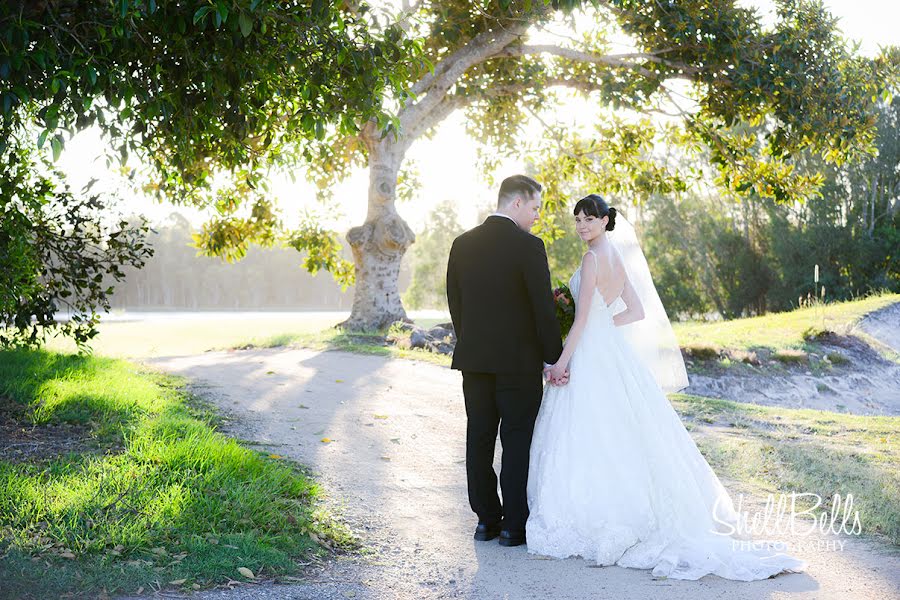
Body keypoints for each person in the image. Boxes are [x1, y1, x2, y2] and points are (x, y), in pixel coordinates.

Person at [526, 194, 806, 580]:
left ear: (607, 220)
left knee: (591, 428)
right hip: (610, 350)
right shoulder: (616, 258)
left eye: (589, 219)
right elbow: (634, 311)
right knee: (619, 429)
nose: (582, 227)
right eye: (577, 221)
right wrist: (604, 328)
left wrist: (560, 362)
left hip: (592, 353)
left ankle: (601, 513)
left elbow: (582, 320)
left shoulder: (592, 260)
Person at [446, 174, 565, 547]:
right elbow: (542, 310)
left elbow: (456, 303)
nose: (536, 217)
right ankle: (514, 526)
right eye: (534, 208)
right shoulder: (529, 246)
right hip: (518, 363)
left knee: (478, 437)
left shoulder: (462, 244)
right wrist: (554, 357)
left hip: (475, 360)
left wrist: (471, 341)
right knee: (516, 441)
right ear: (517, 203)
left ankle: (485, 521)